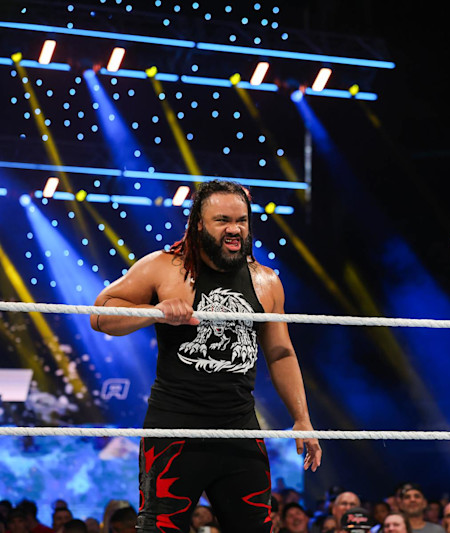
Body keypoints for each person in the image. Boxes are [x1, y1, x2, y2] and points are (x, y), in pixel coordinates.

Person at [90, 179, 322, 532]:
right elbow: (100, 315)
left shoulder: (266, 281)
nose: (234, 229)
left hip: (239, 431)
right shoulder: (164, 267)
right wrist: (154, 310)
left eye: (241, 220)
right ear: (199, 222)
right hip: (174, 431)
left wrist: (302, 419)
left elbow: (280, 353)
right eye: (223, 220)